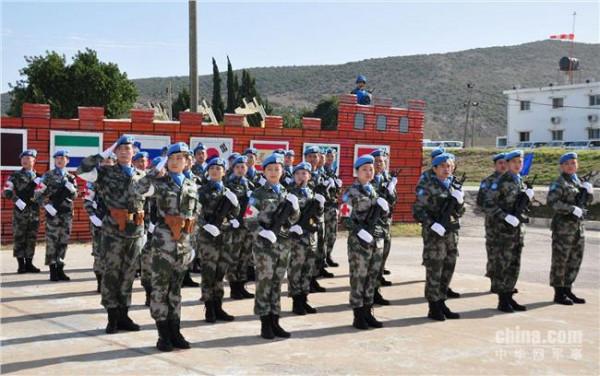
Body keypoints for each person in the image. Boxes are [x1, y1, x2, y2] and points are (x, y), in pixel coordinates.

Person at [132, 142, 199, 352]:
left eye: (180, 159)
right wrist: (153, 171)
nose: (175, 162)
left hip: (183, 244)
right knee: (160, 289)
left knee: (176, 291)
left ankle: (175, 331)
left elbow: (195, 215)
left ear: (187, 162)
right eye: (172, 159)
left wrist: (192, 244)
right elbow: (137, 188)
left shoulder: (191, 184)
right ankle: (163, 335)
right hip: (163, 244)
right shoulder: (160, 182)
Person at [77, 135, 145, 334]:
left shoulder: (141, 175)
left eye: (128, 148)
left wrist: (147, 228)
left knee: (129, 273)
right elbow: (82, 170)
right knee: (111, 273)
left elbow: (148, 202)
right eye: (120, 148)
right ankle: (112, 317)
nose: (125, 151)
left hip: (135, 230)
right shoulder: (105, 173)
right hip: (113, 230)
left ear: (134, 151)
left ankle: (124, 314)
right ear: (114, 152)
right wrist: (102, 155)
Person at [246, 153, 300, 339]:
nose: (274, 172)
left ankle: (275, 320)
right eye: (270, 169)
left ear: (282, 171)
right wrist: (261, 232)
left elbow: (293, 219)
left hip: (283, 245)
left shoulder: (286, 193)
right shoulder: (257, 194)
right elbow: (248, 218)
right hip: (264, 247)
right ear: (264, 172)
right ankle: (265, 323)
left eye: (277, 169)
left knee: (277, 284)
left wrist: (295, 208)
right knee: (265, 283)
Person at [412, 152, 464, 321]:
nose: (446, 169)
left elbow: (460, 212)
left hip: (451, 235)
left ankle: (442, 302)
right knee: (435, 271)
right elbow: (418, 210)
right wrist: (431, 224)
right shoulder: (426, 185)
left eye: (449, 166)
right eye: (442, 166)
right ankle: (433, 306)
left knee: (448, 269)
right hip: (434, 235)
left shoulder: (454, 185)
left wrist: (460, 201)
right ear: (434, 168)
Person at [341, 154, 388, 329]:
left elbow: (381, 217)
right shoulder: (350, 193)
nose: (369, 172)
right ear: (357, 172)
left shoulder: (374, 190)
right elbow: (345, 217)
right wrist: (359, 231)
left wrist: (384, 210)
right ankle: (358, 316)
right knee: (358, 279)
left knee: (372, 278)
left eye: (371, 169)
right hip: (359, 244)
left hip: (375, 242)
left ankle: (368, 312)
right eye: (364, 170)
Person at [483, 150, 532, 313]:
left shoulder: (520, 181)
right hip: (503, 232)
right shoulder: (501, 181)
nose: (517, 165)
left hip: (517, 231)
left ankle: (510, 296)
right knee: (503, 265)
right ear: (508, 163)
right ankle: (502, 300)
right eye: (514, 162)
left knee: (514, 265)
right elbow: (488, 204)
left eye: (520, 162)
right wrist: (505, 217)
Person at [547, 152, 593, 305]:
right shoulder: (559, 182)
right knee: (561, 260)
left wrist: (589, 192)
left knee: (575, 260)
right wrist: (571, 209)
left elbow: (586, 203)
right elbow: (553, 202)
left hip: (578, 228)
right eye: (567, 164)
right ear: (561, 166)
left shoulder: (578, 182)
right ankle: (559, 293)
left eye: (573, 163)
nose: (570, 166)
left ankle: (568, 289)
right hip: (563, 228)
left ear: (577, 165)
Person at [197, 157, 240, 323]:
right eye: (212, 168)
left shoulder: (228, 192)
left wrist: (235, 205)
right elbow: (195, 213)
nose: (215, 170)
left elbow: (234, 213)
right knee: (209, 273)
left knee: (220, 273)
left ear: (224, 172)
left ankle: (218, 306)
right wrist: (205, 225)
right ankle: (209, 308)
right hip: (208, 238)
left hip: (225, 236)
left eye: (218, 168)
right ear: (208, 171)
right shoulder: (201, 191)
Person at [287, 161, 325, 315]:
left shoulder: (311, 193)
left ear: (309, 176)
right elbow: (284, 216)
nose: (301, 176)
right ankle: (296, 302)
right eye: (297, 174)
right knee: (296, 270)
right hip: (297, 239)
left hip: (311, 237)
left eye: (304, 173)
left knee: (308, 270)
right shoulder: (289, 193)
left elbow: (318, 217)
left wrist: (321, 206)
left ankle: (304, 299)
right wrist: (291, 226)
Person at [34, 149, 78, 282]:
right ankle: (53, 269)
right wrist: (47, 206)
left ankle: (60, 268)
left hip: (67, 213)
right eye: (57, 158)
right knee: (52, 241)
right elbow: (37, 195)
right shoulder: (48, 176)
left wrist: (73, 190)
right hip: (53, 213)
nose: (60, 160)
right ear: (54, 160)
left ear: (67, 161)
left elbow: (74, 196)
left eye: (63, 158)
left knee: (63, 241)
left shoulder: (71, 177)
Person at [3, 149, 42, 274]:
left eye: (28, 158)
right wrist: (16, 200)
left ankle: (29, 263)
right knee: (19, 237)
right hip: (20, 212)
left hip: (34, 212)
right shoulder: (14, 176)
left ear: (34, 161)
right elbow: (6, 191)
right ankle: (21, 265)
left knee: (31, 237)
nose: (24, 161)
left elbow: (45, 193)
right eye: (23, 159)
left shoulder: (40, 177)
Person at [83, 152, 116, 292]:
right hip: (100, 221)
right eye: (104, 162)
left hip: (116, 221)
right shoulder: (93, 180)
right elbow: (87, 200)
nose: (107, 164)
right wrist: (92, 216)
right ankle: (100, 281)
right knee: (99, 252)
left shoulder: (119, 180)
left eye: (110, 162)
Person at [225, 155, 255, 300]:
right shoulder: (229, 184)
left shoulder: (250, 183)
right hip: (234, 227)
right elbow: (225, 206)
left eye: (243, 166)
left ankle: (242, 286)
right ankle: (234, 288)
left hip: (247, 226)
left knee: (245, 257)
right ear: (233, 168)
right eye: (237, 167)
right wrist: (232, 219)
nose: (240, 169)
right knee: (234, 257)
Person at [476, 152, 507, 290]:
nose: (503, 165)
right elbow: (481, 203)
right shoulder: (488, 182)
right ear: (495, 165)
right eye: (500, 163)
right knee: (494, 252)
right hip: (494, 224)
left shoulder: (514, 180)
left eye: (505, 162)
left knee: (508, 253)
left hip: (510, 225)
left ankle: (506, 283)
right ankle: (495, 282)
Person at [371, 149, 397, 305]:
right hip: (374, 225)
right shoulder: (369, 179)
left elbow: (394, 201)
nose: (379, 164)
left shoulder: (388, 179)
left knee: (384, 253)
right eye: (377, 161)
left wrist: (391, 191)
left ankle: (378, 280)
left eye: (382, 161)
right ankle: (373, 291)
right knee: (374, 258)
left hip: (386, 223)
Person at [323, 148, 343, 268]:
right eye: (328, 156)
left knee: (333, 234)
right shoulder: (323, 171)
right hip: (325, 207)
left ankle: (329, 255)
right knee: (324, 234)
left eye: (332, 156)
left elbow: (336, 193)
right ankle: (322, 257)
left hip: (333, 207)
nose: (330, 158)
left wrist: (338, 187)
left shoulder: (333, 171)